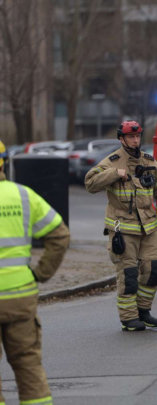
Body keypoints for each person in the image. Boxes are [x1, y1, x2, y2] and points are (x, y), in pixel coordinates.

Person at [0, 138, 71, 405]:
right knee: (27, 364)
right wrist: (41, 273)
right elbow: (60, 235)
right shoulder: (23, 195)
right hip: (21, 297)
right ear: (5, 162)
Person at [85, 121, 157, 331]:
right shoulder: (112, 161)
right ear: (121, 139)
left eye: (138, 136)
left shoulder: (149, 161)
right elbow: (90, 183)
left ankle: (143, 311)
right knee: (129, 274)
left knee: (155, 269)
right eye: (131, 137)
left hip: (149, 228)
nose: (135, 140)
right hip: (124, 229)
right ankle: (128, 318)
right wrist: (114, 174)